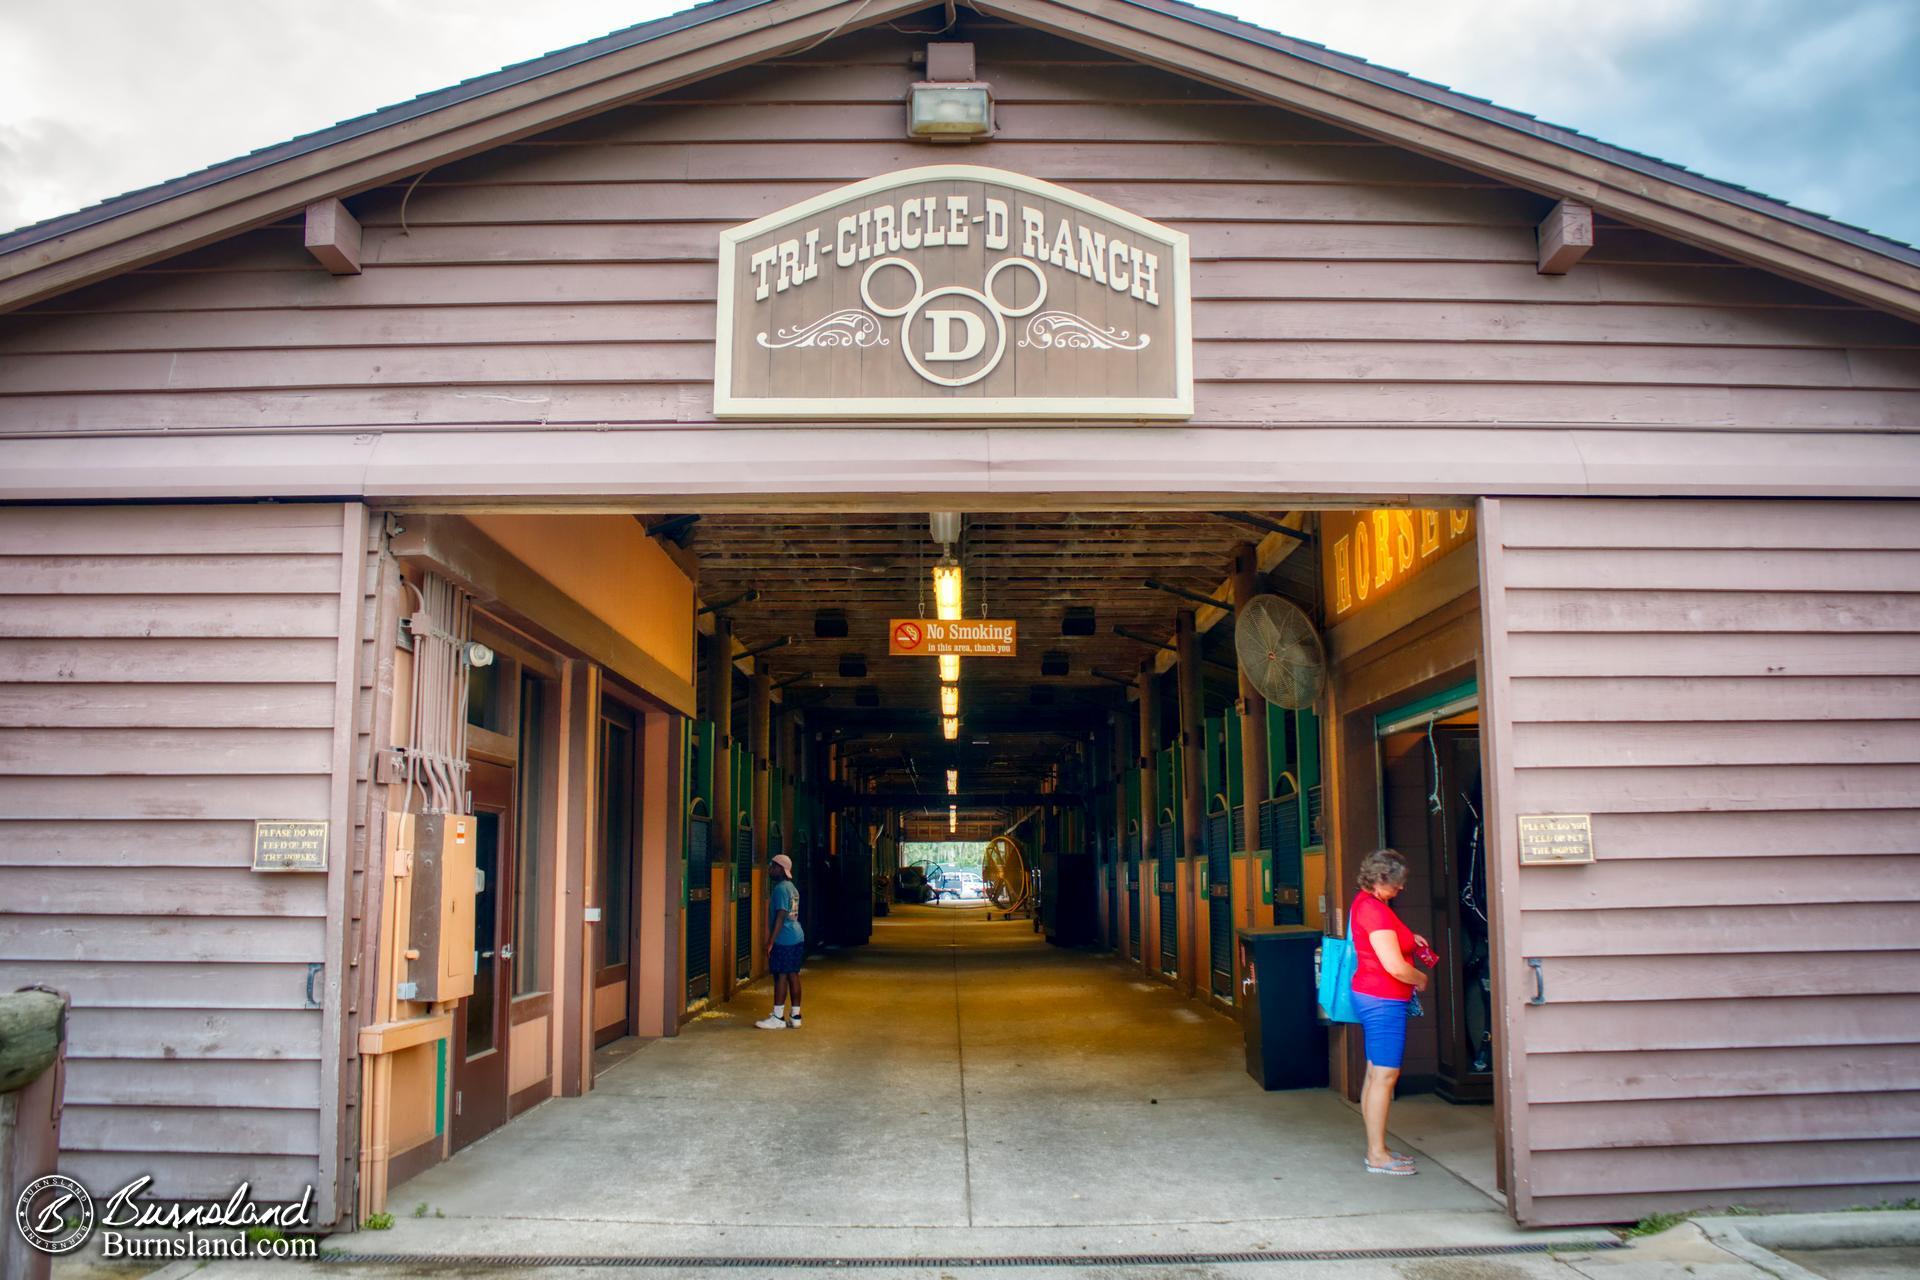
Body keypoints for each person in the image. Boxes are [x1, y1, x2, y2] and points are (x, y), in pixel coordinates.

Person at [1349, 848, 1430, 1174]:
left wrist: (1410, 939)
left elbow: (1388, 945)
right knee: (1385, 1075)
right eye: (1396, 883)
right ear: (1380, 880)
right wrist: (1420, 978)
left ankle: (1377, 1147)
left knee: (1375, 1074)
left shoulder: (1368, 903)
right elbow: (1395, 967)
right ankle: (1377, 1155)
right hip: (1384, 1000)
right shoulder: (1376, 912)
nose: (1401, 889)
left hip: (1373, 997)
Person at [756, 853, 806, 1030]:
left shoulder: (779, 889)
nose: (770, 870)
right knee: (793, 974)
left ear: (780, 869)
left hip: (785, 938)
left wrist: (771, 941)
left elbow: (780, 915)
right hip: (797, 935)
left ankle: (777, 1017)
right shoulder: (792, 888)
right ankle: (796, 1015)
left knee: (780, 976)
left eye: (772, 866)